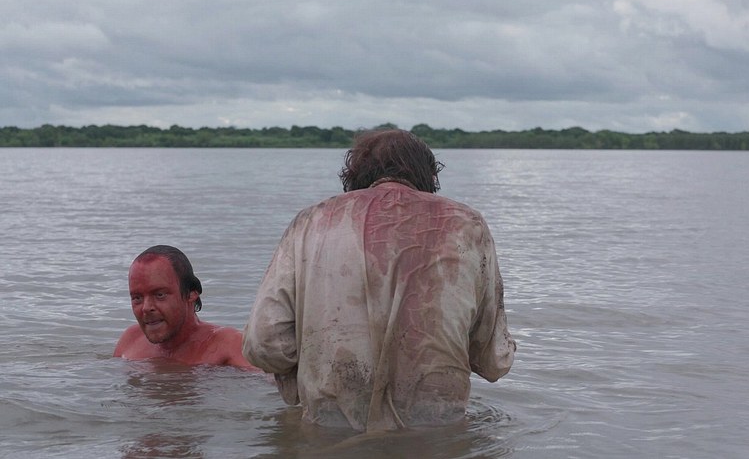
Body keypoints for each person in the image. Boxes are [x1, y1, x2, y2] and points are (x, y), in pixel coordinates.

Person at [242, 128, 516, 431]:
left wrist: (308, 372)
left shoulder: (310, 222)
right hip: (435, 432)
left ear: (353, 177)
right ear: (430, 179)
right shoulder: (469, 225)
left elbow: (264, 343)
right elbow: (494, 361)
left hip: (330, 431)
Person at [114, 245, 254, 369]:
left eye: (160, 295)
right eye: (137, 298)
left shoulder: (229, 345)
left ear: (191, 293)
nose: (146, 308)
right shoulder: (130, 340)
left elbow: (262, 383)